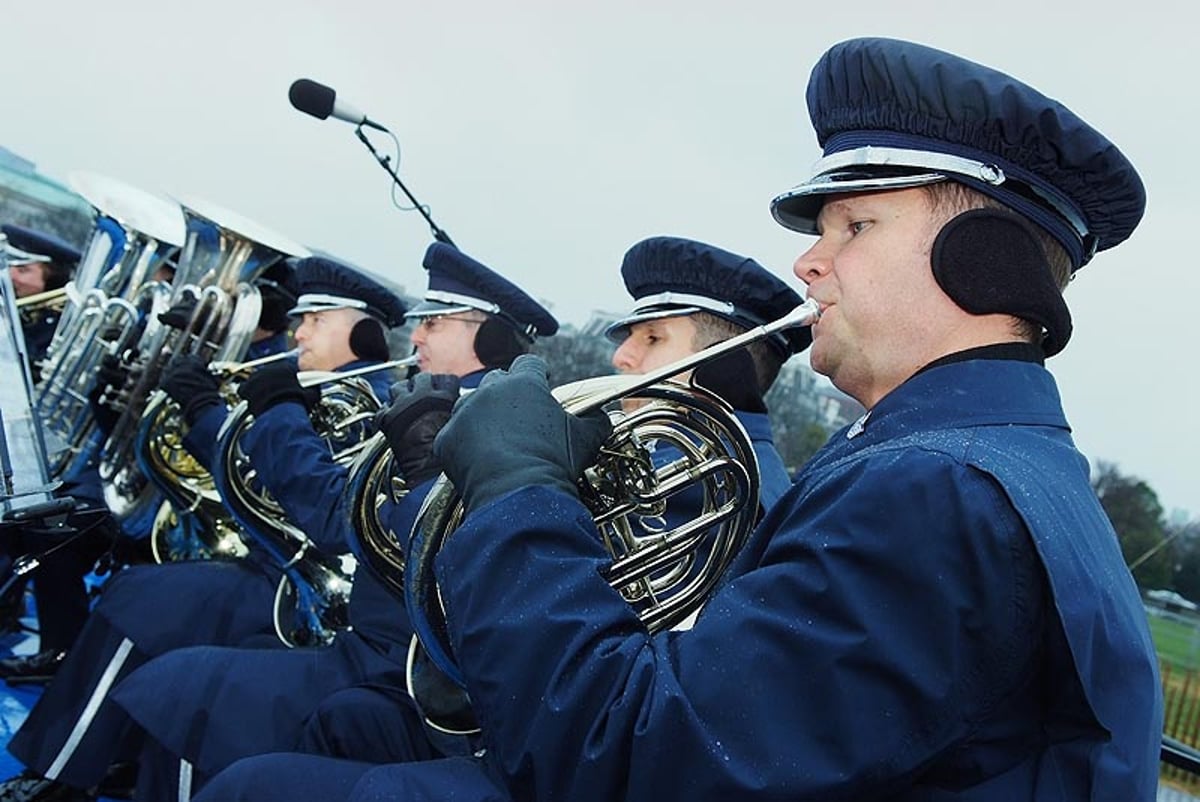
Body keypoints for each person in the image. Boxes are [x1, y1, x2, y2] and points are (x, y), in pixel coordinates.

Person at [202, 36, 1163, 802]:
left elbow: (633, 755)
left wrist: (515, 494)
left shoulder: (939, 491)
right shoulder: (964, 462)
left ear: (981, 261)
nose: (808, 265)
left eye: (855, 226)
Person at [101, 242, 559, 802]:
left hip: (394, 666)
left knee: (185, 686)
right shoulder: (419, 401)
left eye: (434, 323)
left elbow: (335, 516)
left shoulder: (492, 426)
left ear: (490, 339)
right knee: (182, 675)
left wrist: (272, 418)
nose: (415, 337)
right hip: (355, 638)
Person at [0, 255, 406, 802]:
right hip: (271, 568)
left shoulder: (362, 403)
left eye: (317, 320)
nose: (299, 330)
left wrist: (206, 411)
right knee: (143, 593)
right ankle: (107, 752)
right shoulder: (313, 385)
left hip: (295, 590)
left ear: (359, 330)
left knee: (139, 602)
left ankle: (64, 770)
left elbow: (277, 485)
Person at [0, 264, 299, 685]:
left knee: (58, 530)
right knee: (32, 510)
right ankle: (44, 632)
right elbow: (136, 432)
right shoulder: (206, 346)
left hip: (188, 510)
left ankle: (65, 650)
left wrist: (199, 405)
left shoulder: (274, 369)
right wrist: (117, 396)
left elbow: (239, 461)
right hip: (139, 484)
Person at [1, 223, 81, 380]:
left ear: (52, 278)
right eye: (8, 266)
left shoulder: (60, 325)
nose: (11, 276)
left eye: (23, 270)